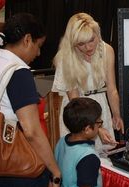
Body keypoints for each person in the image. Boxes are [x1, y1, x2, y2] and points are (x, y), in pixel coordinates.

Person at [0, 13, 61, 187]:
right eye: (38, 46)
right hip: (20, 166)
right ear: (27, 39)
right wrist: (55, 171)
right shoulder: (19, 71)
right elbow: (31, 131)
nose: (38, 53)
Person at [52, 12, 124, 153]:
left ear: (97, 34)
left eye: (92, 40)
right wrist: (97, 127)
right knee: (79, 155)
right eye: (81, 44)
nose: (88, 47)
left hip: (100, 106)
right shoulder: (65, 57)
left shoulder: (107, 50)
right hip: (77, 112)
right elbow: (76, 100)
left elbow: (112, 89)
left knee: (104, 156)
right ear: (73, 43)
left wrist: (116, 114)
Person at [55, 97, 103, 187]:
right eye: (98, 122)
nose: (100, 125)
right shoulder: (89, 157)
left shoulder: (61, 141)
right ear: (87, 129)